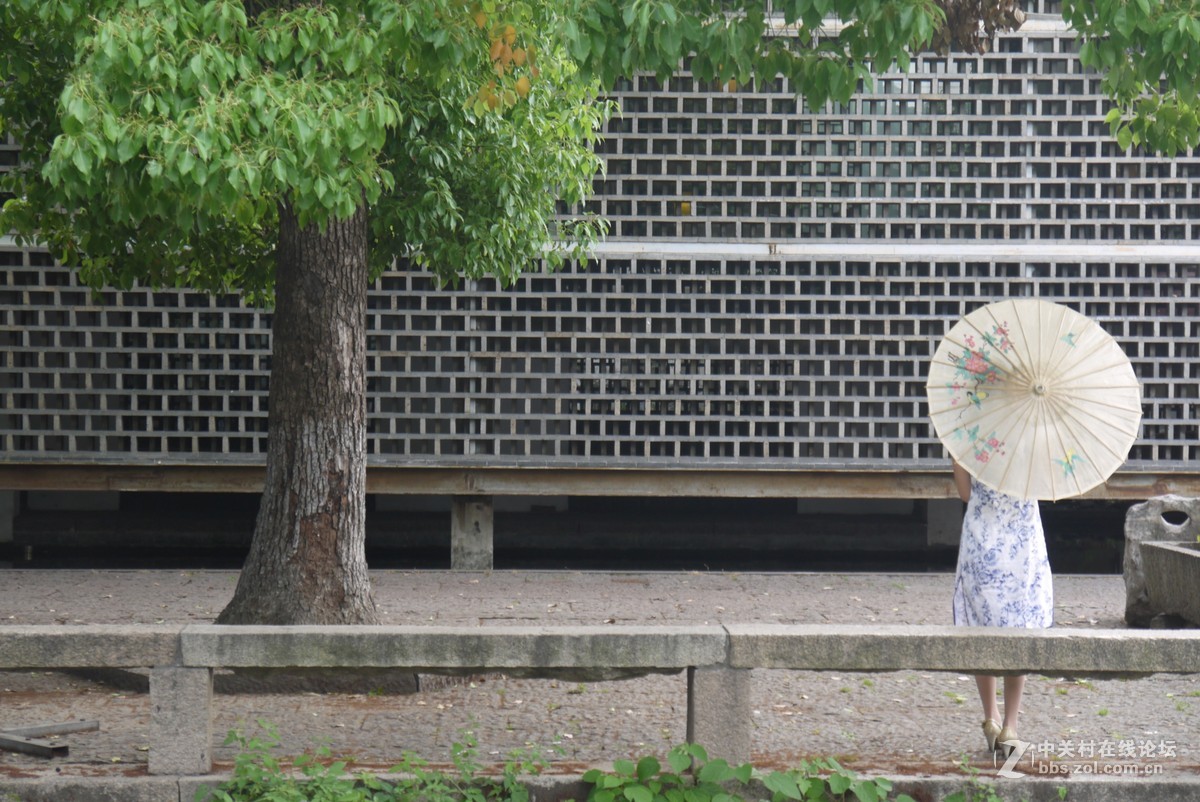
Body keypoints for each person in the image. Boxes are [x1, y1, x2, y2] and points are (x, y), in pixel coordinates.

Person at [951, 460, 1053, 757]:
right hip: (1022, 541)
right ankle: (1011, 724)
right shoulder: (1033, 436)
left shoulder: (969, 438)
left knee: (980, 627)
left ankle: (991, 717)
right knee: (1018, 627)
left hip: (982, 539)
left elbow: (965, 494)